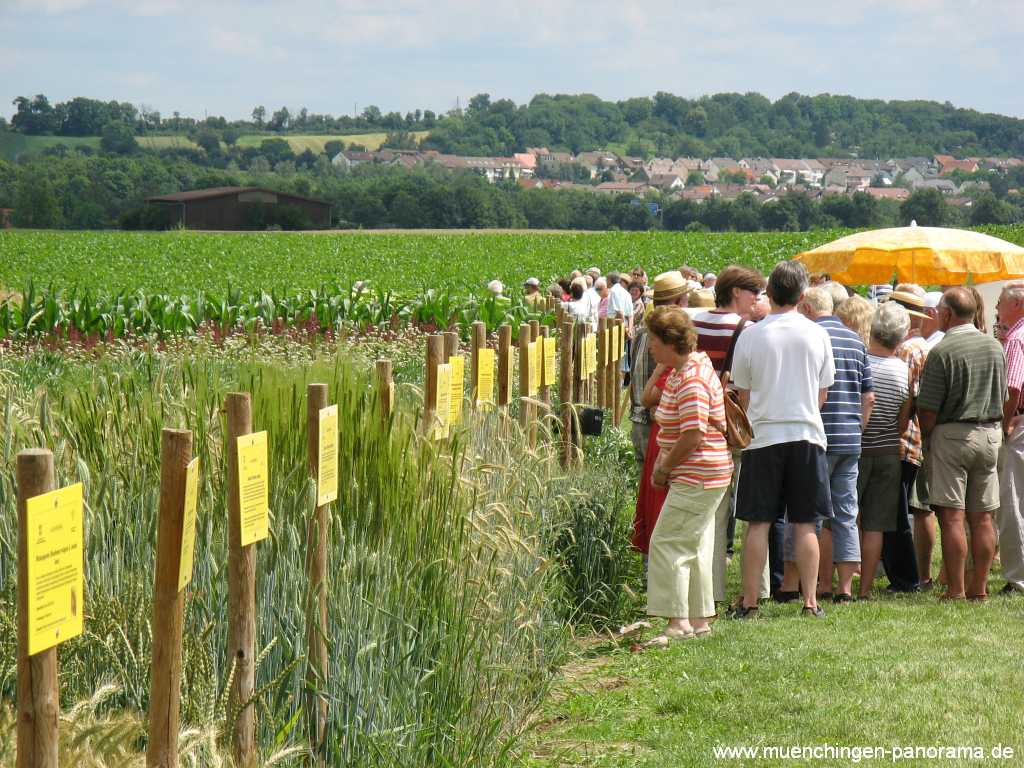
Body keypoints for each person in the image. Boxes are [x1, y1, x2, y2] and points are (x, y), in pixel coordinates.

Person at [730, 261, 835, 619]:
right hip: (806, 432)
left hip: (763, 435)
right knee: (806, 522)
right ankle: (810, 601)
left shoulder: (751, 334)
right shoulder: (818, 334)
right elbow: (823, 394)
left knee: (758, 522)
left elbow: (742, 393)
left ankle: (750, 601)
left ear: (769, 293)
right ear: (803, 296)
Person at [644, 306, 733, 645]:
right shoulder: (690, 367)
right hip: (706, 473)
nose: (650, 346)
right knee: (694, 544)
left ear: (670, 341)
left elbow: (693, 433)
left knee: (668, 543)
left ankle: (677, 622)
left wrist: (665, 467)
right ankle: (697, 620)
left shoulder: (692, 378)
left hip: (698, 474)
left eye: (654, 340)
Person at [782, 287, 874, 603]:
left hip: (815, 436)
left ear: (806, 307)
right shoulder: (855, 340)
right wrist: (857, 428)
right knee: (846, 513)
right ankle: (844, 587)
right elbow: (869, 396)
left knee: (805, 513)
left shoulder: (806, 336)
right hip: (850, 439)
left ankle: (795, 584)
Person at [918, 288, 1006, 601]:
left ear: (948, 313)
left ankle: (955, 589)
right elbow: (1003, 395)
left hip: (953, 436)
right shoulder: (995, 347)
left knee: (952, 517)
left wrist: (928, 436)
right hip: (990, 434)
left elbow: (927, 408)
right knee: (983, 517)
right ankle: (979, 589)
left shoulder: (942, 351)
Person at [692, 265, 767, 604]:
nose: (758, 299)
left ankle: (711, 589)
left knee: (712, 515)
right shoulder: (746, 329)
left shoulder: (695, 323)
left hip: (701, 423)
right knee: (752, 511)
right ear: (736, 292)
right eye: (754, 292)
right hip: (735, 426)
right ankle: (759, 588)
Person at [858, 302, 913, 599]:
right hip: (889, 451)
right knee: (876, 525)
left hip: (857, 448)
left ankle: (836, 583)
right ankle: (865, 589)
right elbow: (903, 423)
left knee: (845, 518)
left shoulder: (861, 363)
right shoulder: (903, 371)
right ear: (901, 336)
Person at [629, 271, 689, 467]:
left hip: (639, 420)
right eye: (685, 300)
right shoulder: (669, 339)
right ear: (678, 303)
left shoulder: (642, 332)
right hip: (656, 426)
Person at [996, 282, 1024, 595]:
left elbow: (1013, 387)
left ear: (1017, 305)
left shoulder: (1016, 338)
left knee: (1015, 500)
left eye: (1001, 302)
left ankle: (1018, 577)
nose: (997, 308)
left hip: (1020, 424)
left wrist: (1004, 422)